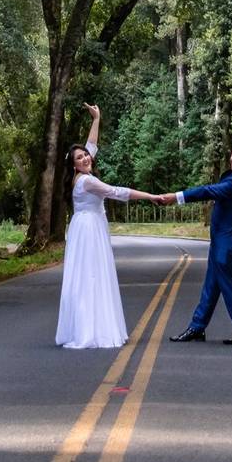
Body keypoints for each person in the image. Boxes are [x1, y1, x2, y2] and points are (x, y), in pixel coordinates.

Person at [56, 103, 160, 349]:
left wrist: (96, 119)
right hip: (89, 228)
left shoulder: (79, 175)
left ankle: (90, 324)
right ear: (74, 165)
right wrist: (151, 196)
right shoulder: (87, 182)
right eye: (79, 158)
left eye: (85, 156)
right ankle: (90, 330)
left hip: (85, 225)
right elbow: (116, 192)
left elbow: (91, 146)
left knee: (89, 275)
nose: (86, 158)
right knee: (91, 275)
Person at [158, 114, 232, 345]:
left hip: (227, 239)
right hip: (224, 236)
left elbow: (206, 190)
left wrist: (176, 197)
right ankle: (197, 326)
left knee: (225, 283)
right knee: (211, 283)